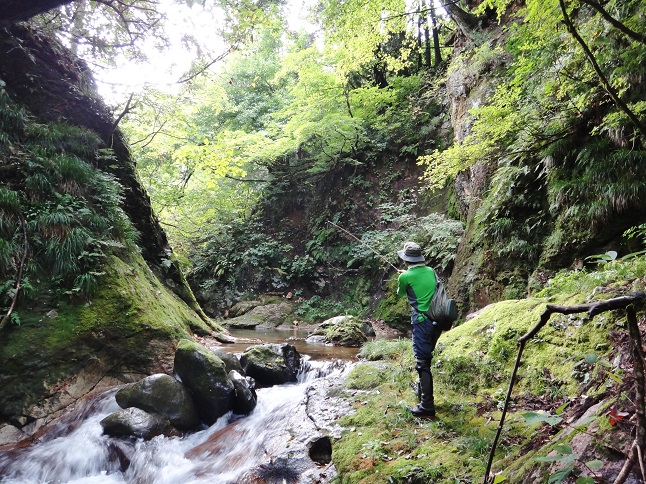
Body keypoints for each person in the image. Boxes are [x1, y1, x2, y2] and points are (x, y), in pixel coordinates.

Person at [396, 241, 440, 418]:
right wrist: (407, 275)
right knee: (426, 359)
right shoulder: (431, 271)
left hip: (422, 322)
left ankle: (427, 406)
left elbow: (401, 293)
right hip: (437, 320)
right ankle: (422, 392)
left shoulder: (405, 277)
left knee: (422, 362)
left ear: (406, 260)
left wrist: (403, 277)